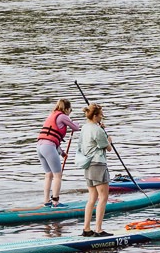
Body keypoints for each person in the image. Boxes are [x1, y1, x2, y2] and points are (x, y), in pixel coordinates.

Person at [35, 99, 81, 207]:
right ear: (66, 108)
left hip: (40, 147)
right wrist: (76, 123)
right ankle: (55, 201)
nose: (70, 112)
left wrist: (61, 152)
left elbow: (51, 136)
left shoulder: (52, 115)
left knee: (49, 175)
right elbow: (75, 128)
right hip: (48, 147)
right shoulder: (63, 116)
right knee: (58, 175)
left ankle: (46, 201)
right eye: (70, 109)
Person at [78, 103, 112, 236]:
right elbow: (107, 147)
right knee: (103, 197)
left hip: (88, 165)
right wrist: (108, 139)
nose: (102, 118)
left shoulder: (85, 128)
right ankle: (98, 229)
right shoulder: (97, 130)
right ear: (95, 116)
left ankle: (86, 229)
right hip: (98, 164)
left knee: (92, 198)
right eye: (101, 116)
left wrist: (101, 130)